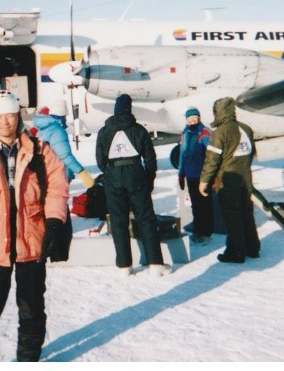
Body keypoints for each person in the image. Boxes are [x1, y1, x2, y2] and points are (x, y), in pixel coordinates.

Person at [0, 91, 70, 362]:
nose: (5, 122)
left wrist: (54, 222)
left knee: (32, 311)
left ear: (18, 116)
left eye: (9, 115)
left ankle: (28, 360)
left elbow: (58, 187)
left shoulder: (39, 150)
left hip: (31, 243)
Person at [95, 93, 168, 274]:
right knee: (145, 218)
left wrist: (111, 172)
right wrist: (148, 178)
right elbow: (150, 158)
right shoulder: (139, 130)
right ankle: (156, 264)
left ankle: (124, 265)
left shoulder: (104, 131)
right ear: (129, 109)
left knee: (119, 221)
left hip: (113, 175)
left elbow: (99, 159)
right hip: (135, 174)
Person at [198, 96, 259, 264]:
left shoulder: (220, 133)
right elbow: (251, 152)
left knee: (233, 216)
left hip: (229, 180)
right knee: (247, 213)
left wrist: (204, 181)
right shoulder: (246, 129)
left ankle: (236, 252)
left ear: (219, 112)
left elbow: (212, 160)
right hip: (246, 177)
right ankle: (253, 248)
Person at [32, 96, 96, 187]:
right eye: (65, 116)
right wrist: (81, 172)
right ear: (62, 116)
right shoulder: (57, 130)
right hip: (57, 177)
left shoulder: (42, 130)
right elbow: (65, 155)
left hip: (44, 174)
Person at [176, 107, 213, 243]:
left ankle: (206, 233)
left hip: (203, 175)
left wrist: (211, 175)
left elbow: (211, 155)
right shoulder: (185, 133)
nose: (192, 121)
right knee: (196, 205)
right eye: (189, 119)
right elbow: (182, 154)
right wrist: (181, 173)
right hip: (190, 175)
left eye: (194, 118)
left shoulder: (205, 133)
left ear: (199, 118)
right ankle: (198, 231)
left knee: (205, 205)